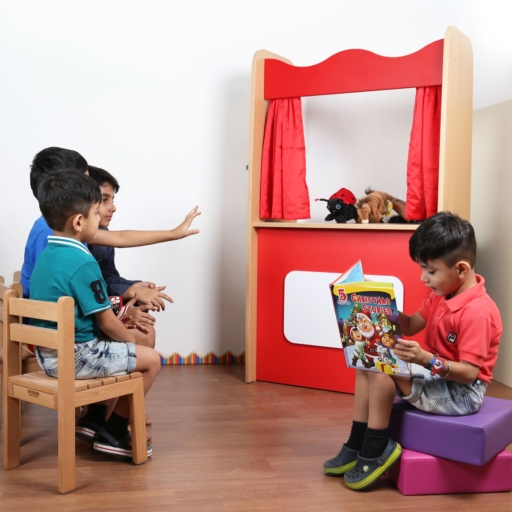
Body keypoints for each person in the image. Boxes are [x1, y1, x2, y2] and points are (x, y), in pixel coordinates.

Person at [323, 212, 502, 491]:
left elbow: (468, 374)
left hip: (462, 393)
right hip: (436, 373)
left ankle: (377, 446)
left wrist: (425, 359)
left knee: (384, 371)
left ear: (462, 269)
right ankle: (358, 439)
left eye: (430, 271)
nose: (423, 278)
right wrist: (373, 300)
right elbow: (407, 326)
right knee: (366, 361)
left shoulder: (477, 313)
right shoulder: (442, 294)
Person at [31, 170, 161, 458]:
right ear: (79, 222)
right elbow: (106, 322)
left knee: (123, 345)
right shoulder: (83, 262)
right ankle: (114, 432)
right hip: (76, 357)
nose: (99, 218)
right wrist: (128, 338)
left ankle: (92, 420)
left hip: (48, 355)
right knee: (150, 360)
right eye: (94, 213)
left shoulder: (47, 257)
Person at [21, 146, 200, 299]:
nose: (91, 190)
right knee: (137, 332)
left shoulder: (69, 227)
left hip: (70, 314)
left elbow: (121, 237)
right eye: (85, 181)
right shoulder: (48, 231)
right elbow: (55, 294)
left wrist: (173, 234)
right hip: (52, 325)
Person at [87, 165, 163, 349]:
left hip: (93, 311)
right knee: (145, 334)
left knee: (146, 328)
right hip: (78, 320)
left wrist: (132, 286)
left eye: (112, 199)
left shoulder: (102, 236)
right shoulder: (73, 246)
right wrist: (127, 298)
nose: (113, 208)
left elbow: (107, 278)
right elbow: (88, 293)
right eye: (104, 200)